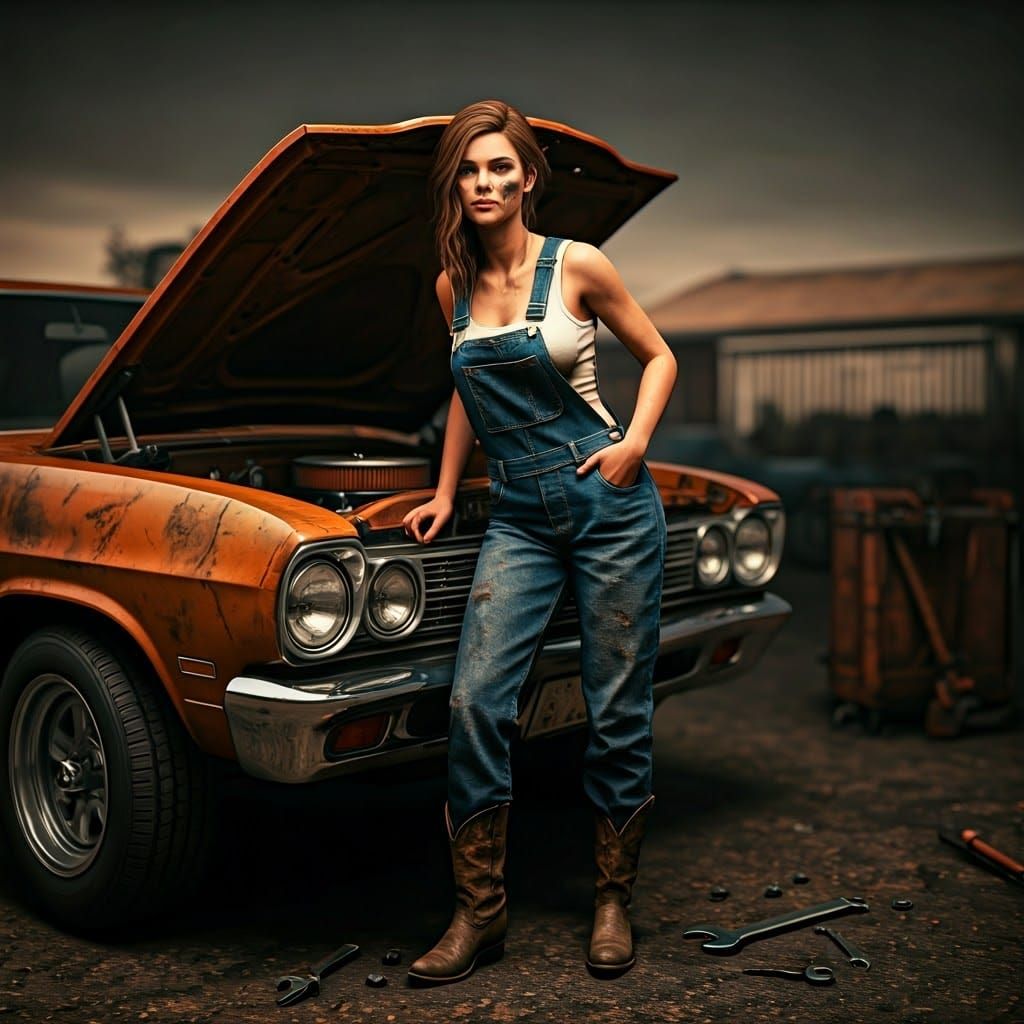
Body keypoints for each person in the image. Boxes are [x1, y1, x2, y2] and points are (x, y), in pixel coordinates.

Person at [402, 99, 677, 986]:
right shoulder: (450, 287)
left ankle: (612, 900)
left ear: (527, 179)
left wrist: (634, 445)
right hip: (518, 514)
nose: (484, 183)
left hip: (608, 506)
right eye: (468, 170)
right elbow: (467, 393)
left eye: (499, 168)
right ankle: (479, 912)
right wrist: (446, 492)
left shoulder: (578, 265)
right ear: (457, 186)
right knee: (475, 701)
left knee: (616, 706)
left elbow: (660, 356)